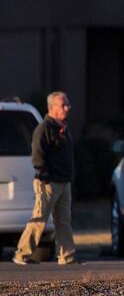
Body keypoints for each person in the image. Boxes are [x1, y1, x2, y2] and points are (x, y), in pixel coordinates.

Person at [13, 91, 76, 266]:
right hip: (48, 183)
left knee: (63, 221)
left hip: (64, 182)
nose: (67, 108)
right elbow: (37, 157)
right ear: (52, 108)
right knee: (39, 220)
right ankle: (22, 254)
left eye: (68, 104)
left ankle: (67, 256)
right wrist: (45, 178)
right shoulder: (44, 129)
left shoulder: (63, 128)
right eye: (63, 105)